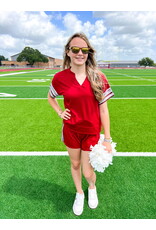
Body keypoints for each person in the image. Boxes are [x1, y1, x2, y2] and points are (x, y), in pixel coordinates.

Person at [48, 32, 114, 216]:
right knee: (75, 164)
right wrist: (60, 111)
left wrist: (107, 139)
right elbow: (51, 97)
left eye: (84, 50)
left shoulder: (98, 77)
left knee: (87, 171)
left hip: (91, 132)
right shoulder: (60, 78)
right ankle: (79, 193)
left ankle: (91, 187)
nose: (80, 53)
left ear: (89, 53)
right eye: (75, 49)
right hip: (71, 130)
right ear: (68, 52)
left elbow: (104, 110)